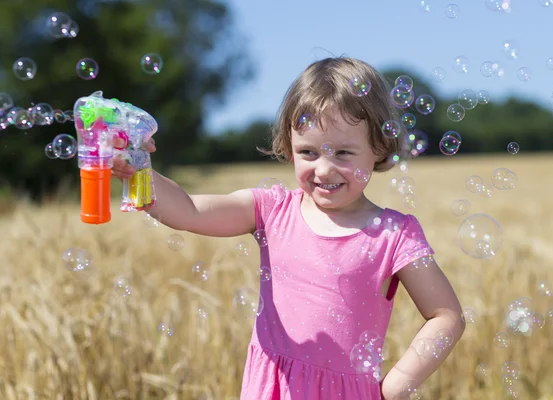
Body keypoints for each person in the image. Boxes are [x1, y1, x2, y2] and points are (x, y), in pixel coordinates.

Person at [112, 57, 465, 400]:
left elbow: (445, 315)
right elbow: (188, 211)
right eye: (309, 152)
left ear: (379, 147)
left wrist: (399, 382)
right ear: (290, 146)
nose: (324, 170)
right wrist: (140, 170)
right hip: (273, 387)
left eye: (343, 153)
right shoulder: (271, 209)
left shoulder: (394, 235)